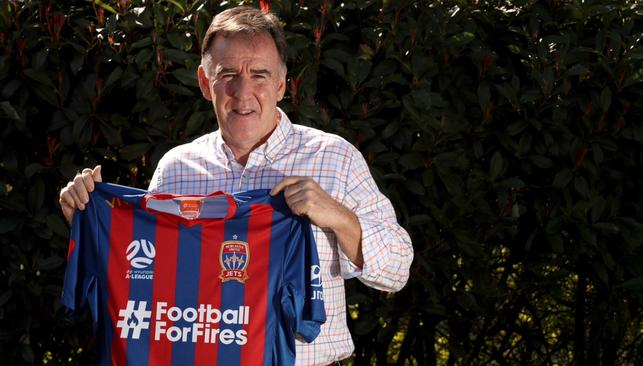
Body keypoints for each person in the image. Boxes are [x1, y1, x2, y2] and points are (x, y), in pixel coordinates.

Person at [59, 6, 413, 365]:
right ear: (204, 82)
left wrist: (339, 217)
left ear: (281, 83)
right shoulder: (177, 169)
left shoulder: (334, 159)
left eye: (259, 74)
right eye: (228, 73)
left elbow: (398, 270)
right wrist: (90, 220)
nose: (243, 92)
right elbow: (146, 282)